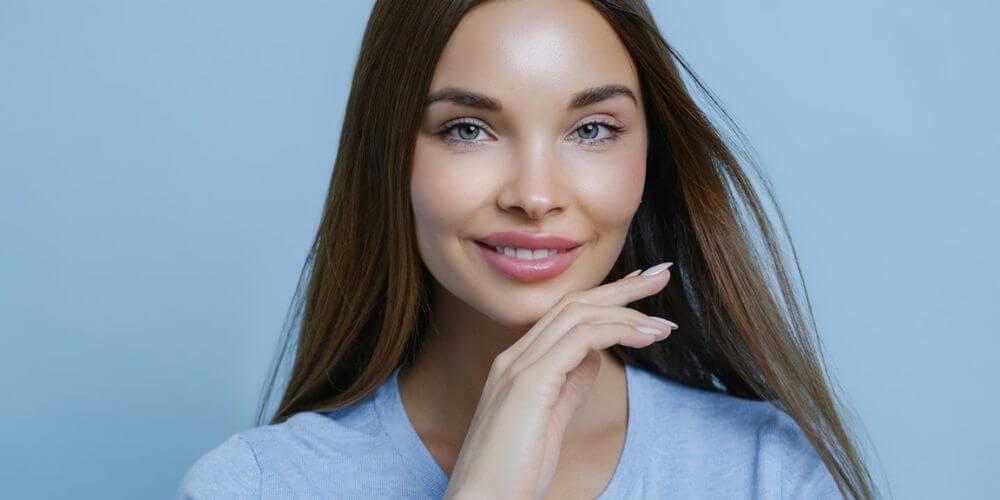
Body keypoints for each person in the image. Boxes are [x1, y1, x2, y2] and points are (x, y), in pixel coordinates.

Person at [178, 0, 879, 498]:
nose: (536, 195)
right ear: (388, 155)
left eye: (593, 129)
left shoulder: (764, 471)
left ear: (649, 160)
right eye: (468, 130)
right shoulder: (257, 486)